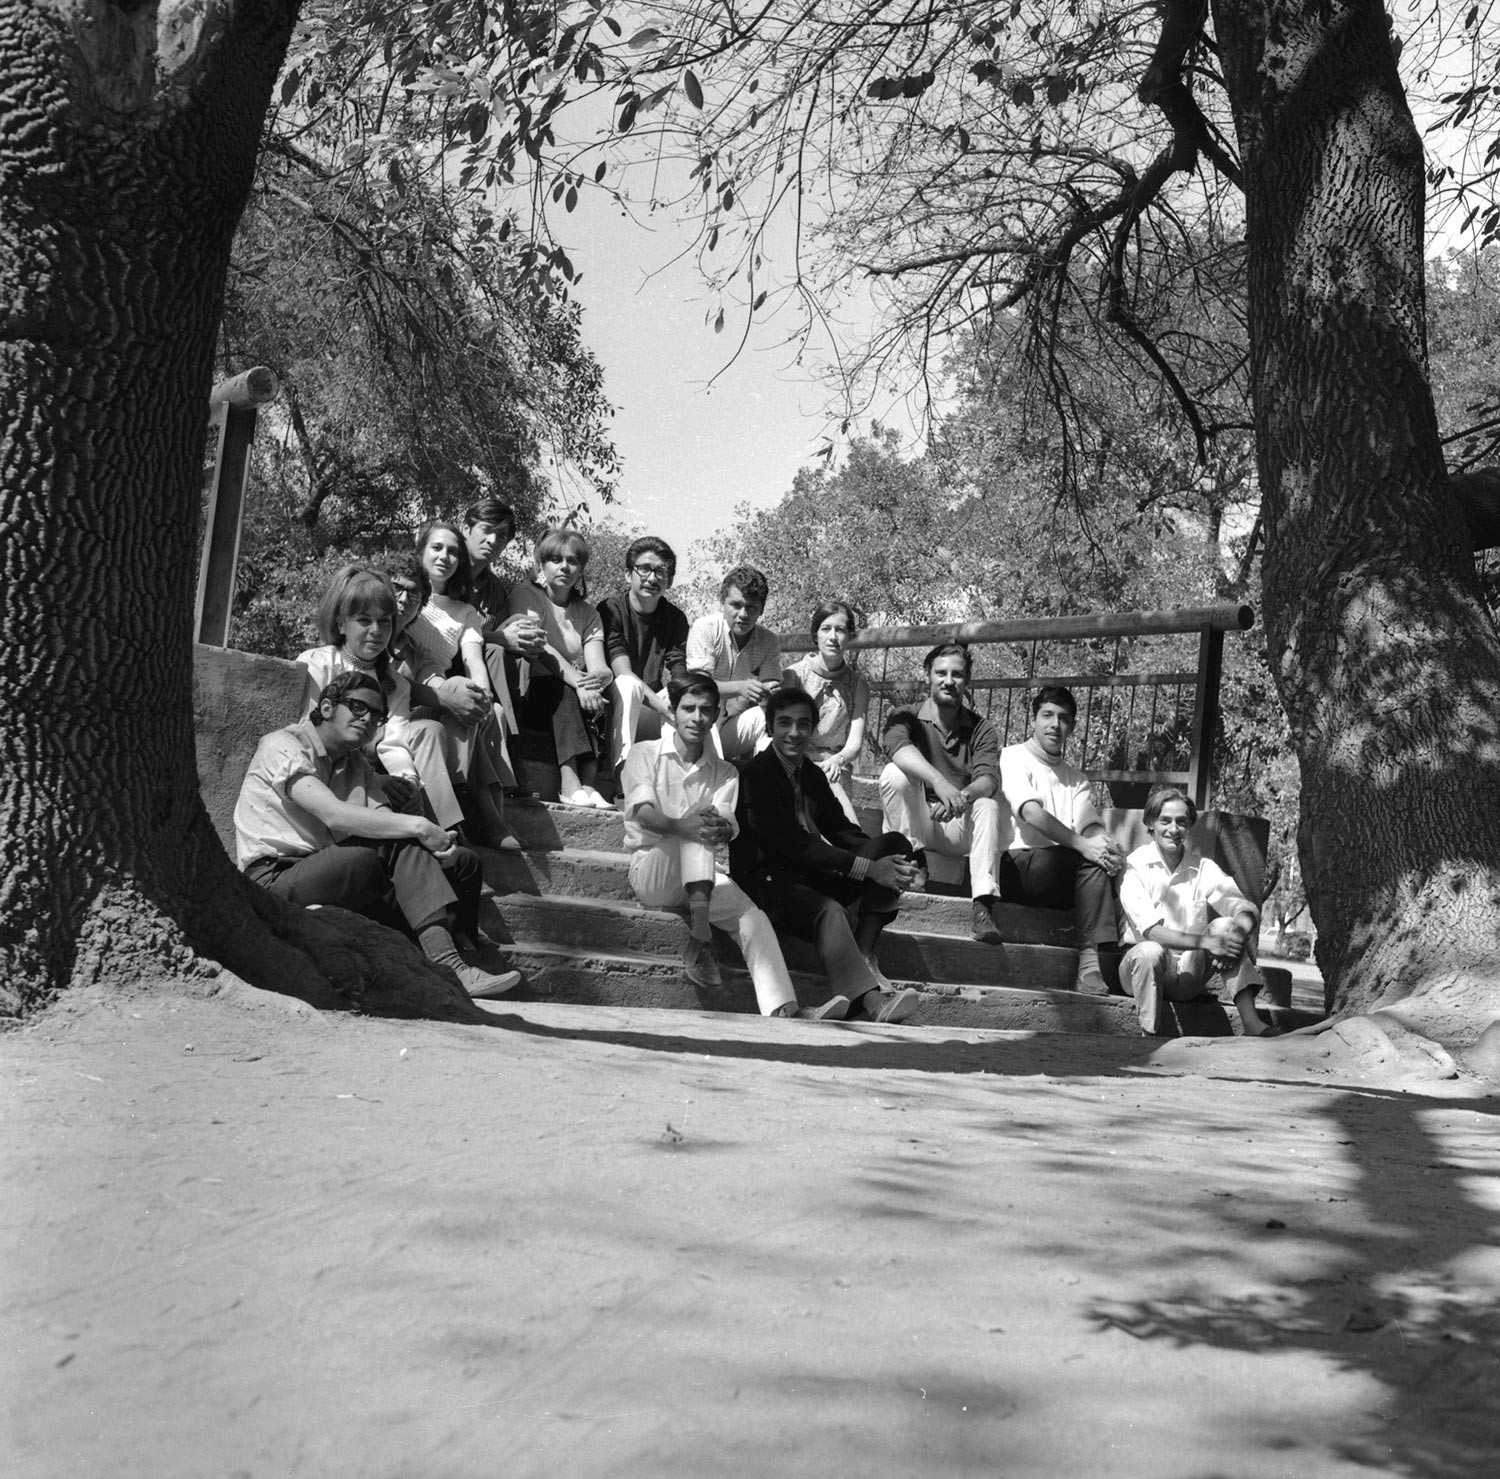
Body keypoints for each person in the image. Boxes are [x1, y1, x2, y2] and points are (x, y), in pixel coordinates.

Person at [234, 671, 522, 998]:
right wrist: (421, 827)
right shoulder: (284, 745)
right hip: (275, 880)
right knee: (400, 839)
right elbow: (334, 814)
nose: (368, 719)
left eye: (377, 716)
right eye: (358, 707)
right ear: (327, 707)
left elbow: (384, 819)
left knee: (464, 863)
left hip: (335, 876)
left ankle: (458, 956)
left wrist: (437, 849)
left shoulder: (356, 764)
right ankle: (449, 966)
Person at [623, 673, 822, 1018]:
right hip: (653, 869)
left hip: (702, 875)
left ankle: (783, 1007)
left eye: (705, 710)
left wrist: (716, 828)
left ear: (716, 715)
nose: (697, 718)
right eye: (688, 708)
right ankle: (701, 939)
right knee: (696, 827)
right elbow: (645, 816)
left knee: (752, 917)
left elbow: (725, 824)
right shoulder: (644, 753)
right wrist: (684, 825)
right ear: (673, 711)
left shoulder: (726, 771)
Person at [731, 687, 922, 1023]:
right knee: (829, 909)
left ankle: (864, 951)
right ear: (770, 727)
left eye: (803, 724)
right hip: (767, 883)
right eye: (785, 723)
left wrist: (903, 864)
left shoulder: (811, 774)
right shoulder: (755, 775)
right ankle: (872, 1003)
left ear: (812, 729)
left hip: (807, 874)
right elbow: (794, 844)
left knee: (894, 845)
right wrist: (868, 869)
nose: (794, 733)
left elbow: (844, 833)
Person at [294, 562, 468, 838]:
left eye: (385, 621)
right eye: (364, 621)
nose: (376, 630)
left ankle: (442, 837)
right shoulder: (316, 663)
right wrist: (372, 779)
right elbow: (310, 732)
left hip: (370, 773)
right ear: (341, 624)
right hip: (320, 775)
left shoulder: (395, 683)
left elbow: (394, 742)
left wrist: (407, 781)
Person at [1118, 785, 1282, 1037]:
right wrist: (1209, 942)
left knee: (1226, 927)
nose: (1174, 829)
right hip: (1140, 969)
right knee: (1150, 950)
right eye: (1165, 821)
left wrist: (1235, 937)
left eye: (1181, 822)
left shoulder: (1202, 867)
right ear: (1151, 823)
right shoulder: (1134, 866)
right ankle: (1148, 1036)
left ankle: (1252, 1024)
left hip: (1186, 973)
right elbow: (1152, 933)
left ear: (1189, 826)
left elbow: (1243, 907)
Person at [998, 685, 1126, 992]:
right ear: (1034, 720)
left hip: (1061, 872)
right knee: (1086, 859)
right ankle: (1094, 959)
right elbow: (1031, 813)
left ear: (1072, 726)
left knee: (1105, 861)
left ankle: (1097, 963)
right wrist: (1084, 846)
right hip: (1017, 866)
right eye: (1047, 715)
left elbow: (1088, 823)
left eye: (1063, 718)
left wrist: (1106, 848)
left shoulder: (1076, 779)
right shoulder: (1012, 757)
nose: (1055, 724)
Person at [879, 643, 1007, 944]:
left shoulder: (982, 729)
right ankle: (912, 863)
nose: (949, 681)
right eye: (941, 673)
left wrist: (961, 797)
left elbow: (988, 779)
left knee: (988, 805)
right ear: (928, 675)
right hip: (916, 821)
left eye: (957, 674)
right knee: (894, 773)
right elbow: (897, 748)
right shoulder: (905, 715)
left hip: (956, 824)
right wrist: (939, 782)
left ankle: (983, 906)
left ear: (967, 680)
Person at [406, 520, 518, 844]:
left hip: (437, 695)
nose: (445, 556)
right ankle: (488, 816)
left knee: (490, 708)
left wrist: (483, 698)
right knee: (459, 688)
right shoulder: (405, 596)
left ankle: (482, 811)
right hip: (411, 698)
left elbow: (474, 661)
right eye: (437, 548)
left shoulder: (466, 612)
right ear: (421, 551)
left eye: (453, 551)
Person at [505, 527, 614, 807]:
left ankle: (589, 787)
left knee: (599, 692)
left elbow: (598, 664)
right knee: (564, 688)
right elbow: (540, 646)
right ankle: (570, 783)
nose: (564, 566)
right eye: (556, 559)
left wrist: (594, 682)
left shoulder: (588, 613)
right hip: (531, 694)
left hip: (571, 697)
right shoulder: (526, 595)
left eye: (572, 561)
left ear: (581, 569)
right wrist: (579, 682)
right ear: (541, 564)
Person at [460, 498, 547, 769]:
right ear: (466, 529)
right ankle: (510, 749)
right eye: (486, 530)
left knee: (519, 633)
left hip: (481, 670)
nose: (493, 541)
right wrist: (499, 639)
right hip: (443, 666)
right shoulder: (445, 570)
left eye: (501, 537)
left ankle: (509, 738)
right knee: (497, 648)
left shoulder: (495, 590)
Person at [598, 535, 691, 774]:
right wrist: (663, 707)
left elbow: (679, 669)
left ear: (670, 580)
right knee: (629, 684)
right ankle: (621, 777)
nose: (652, 578)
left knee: (685, 697)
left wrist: (683, 703)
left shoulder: (675, 618)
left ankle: (697, 782)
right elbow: (622, 671)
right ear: (628, 574)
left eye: (660, 571)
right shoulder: (611, 609)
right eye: (644, 569)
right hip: (613, 710)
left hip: (648, 711)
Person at [782, 599, 870, 824]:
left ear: (849, 636)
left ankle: (852, 840)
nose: (833, 637)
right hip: (796, 759)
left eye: (840, 630)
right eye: (826, 629)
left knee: (833, 789)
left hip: (835, 765)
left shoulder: (858, 686)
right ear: (815, 635)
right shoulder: (793, 676)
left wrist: (837, 761)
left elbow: (854, 744)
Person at [686, 564, 782, 759]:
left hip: (730, 729)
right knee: (690, 698)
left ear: (761, 609)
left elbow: (770, 689)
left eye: (751, 607)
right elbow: (699, 687)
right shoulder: (705, 627)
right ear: (723, 602)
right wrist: (741, 687)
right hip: (697, 724)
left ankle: (766, 775)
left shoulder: (769, 641)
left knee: (771, 715)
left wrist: (769, 692)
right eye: (736, 605)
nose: (743, 614)